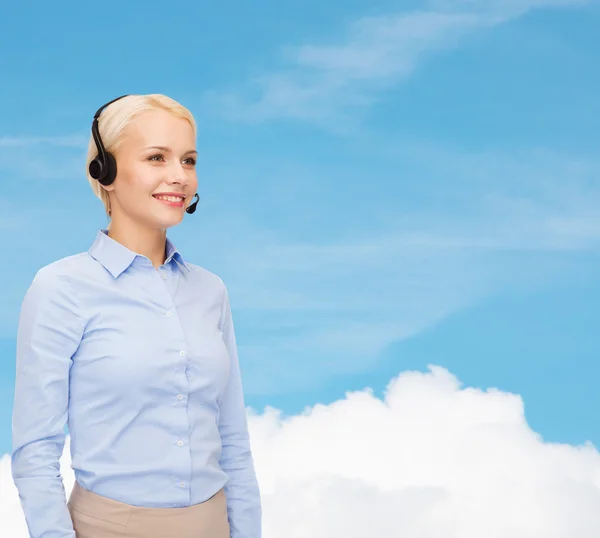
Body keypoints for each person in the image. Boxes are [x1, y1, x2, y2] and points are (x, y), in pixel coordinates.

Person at [11, 94, 262, 538]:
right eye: (156, 158)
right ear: (103, 172)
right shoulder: (60, 288)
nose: (178, 176)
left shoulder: (210, 291)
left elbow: (233, 442)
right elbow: (35, 452)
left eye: (188, 160)